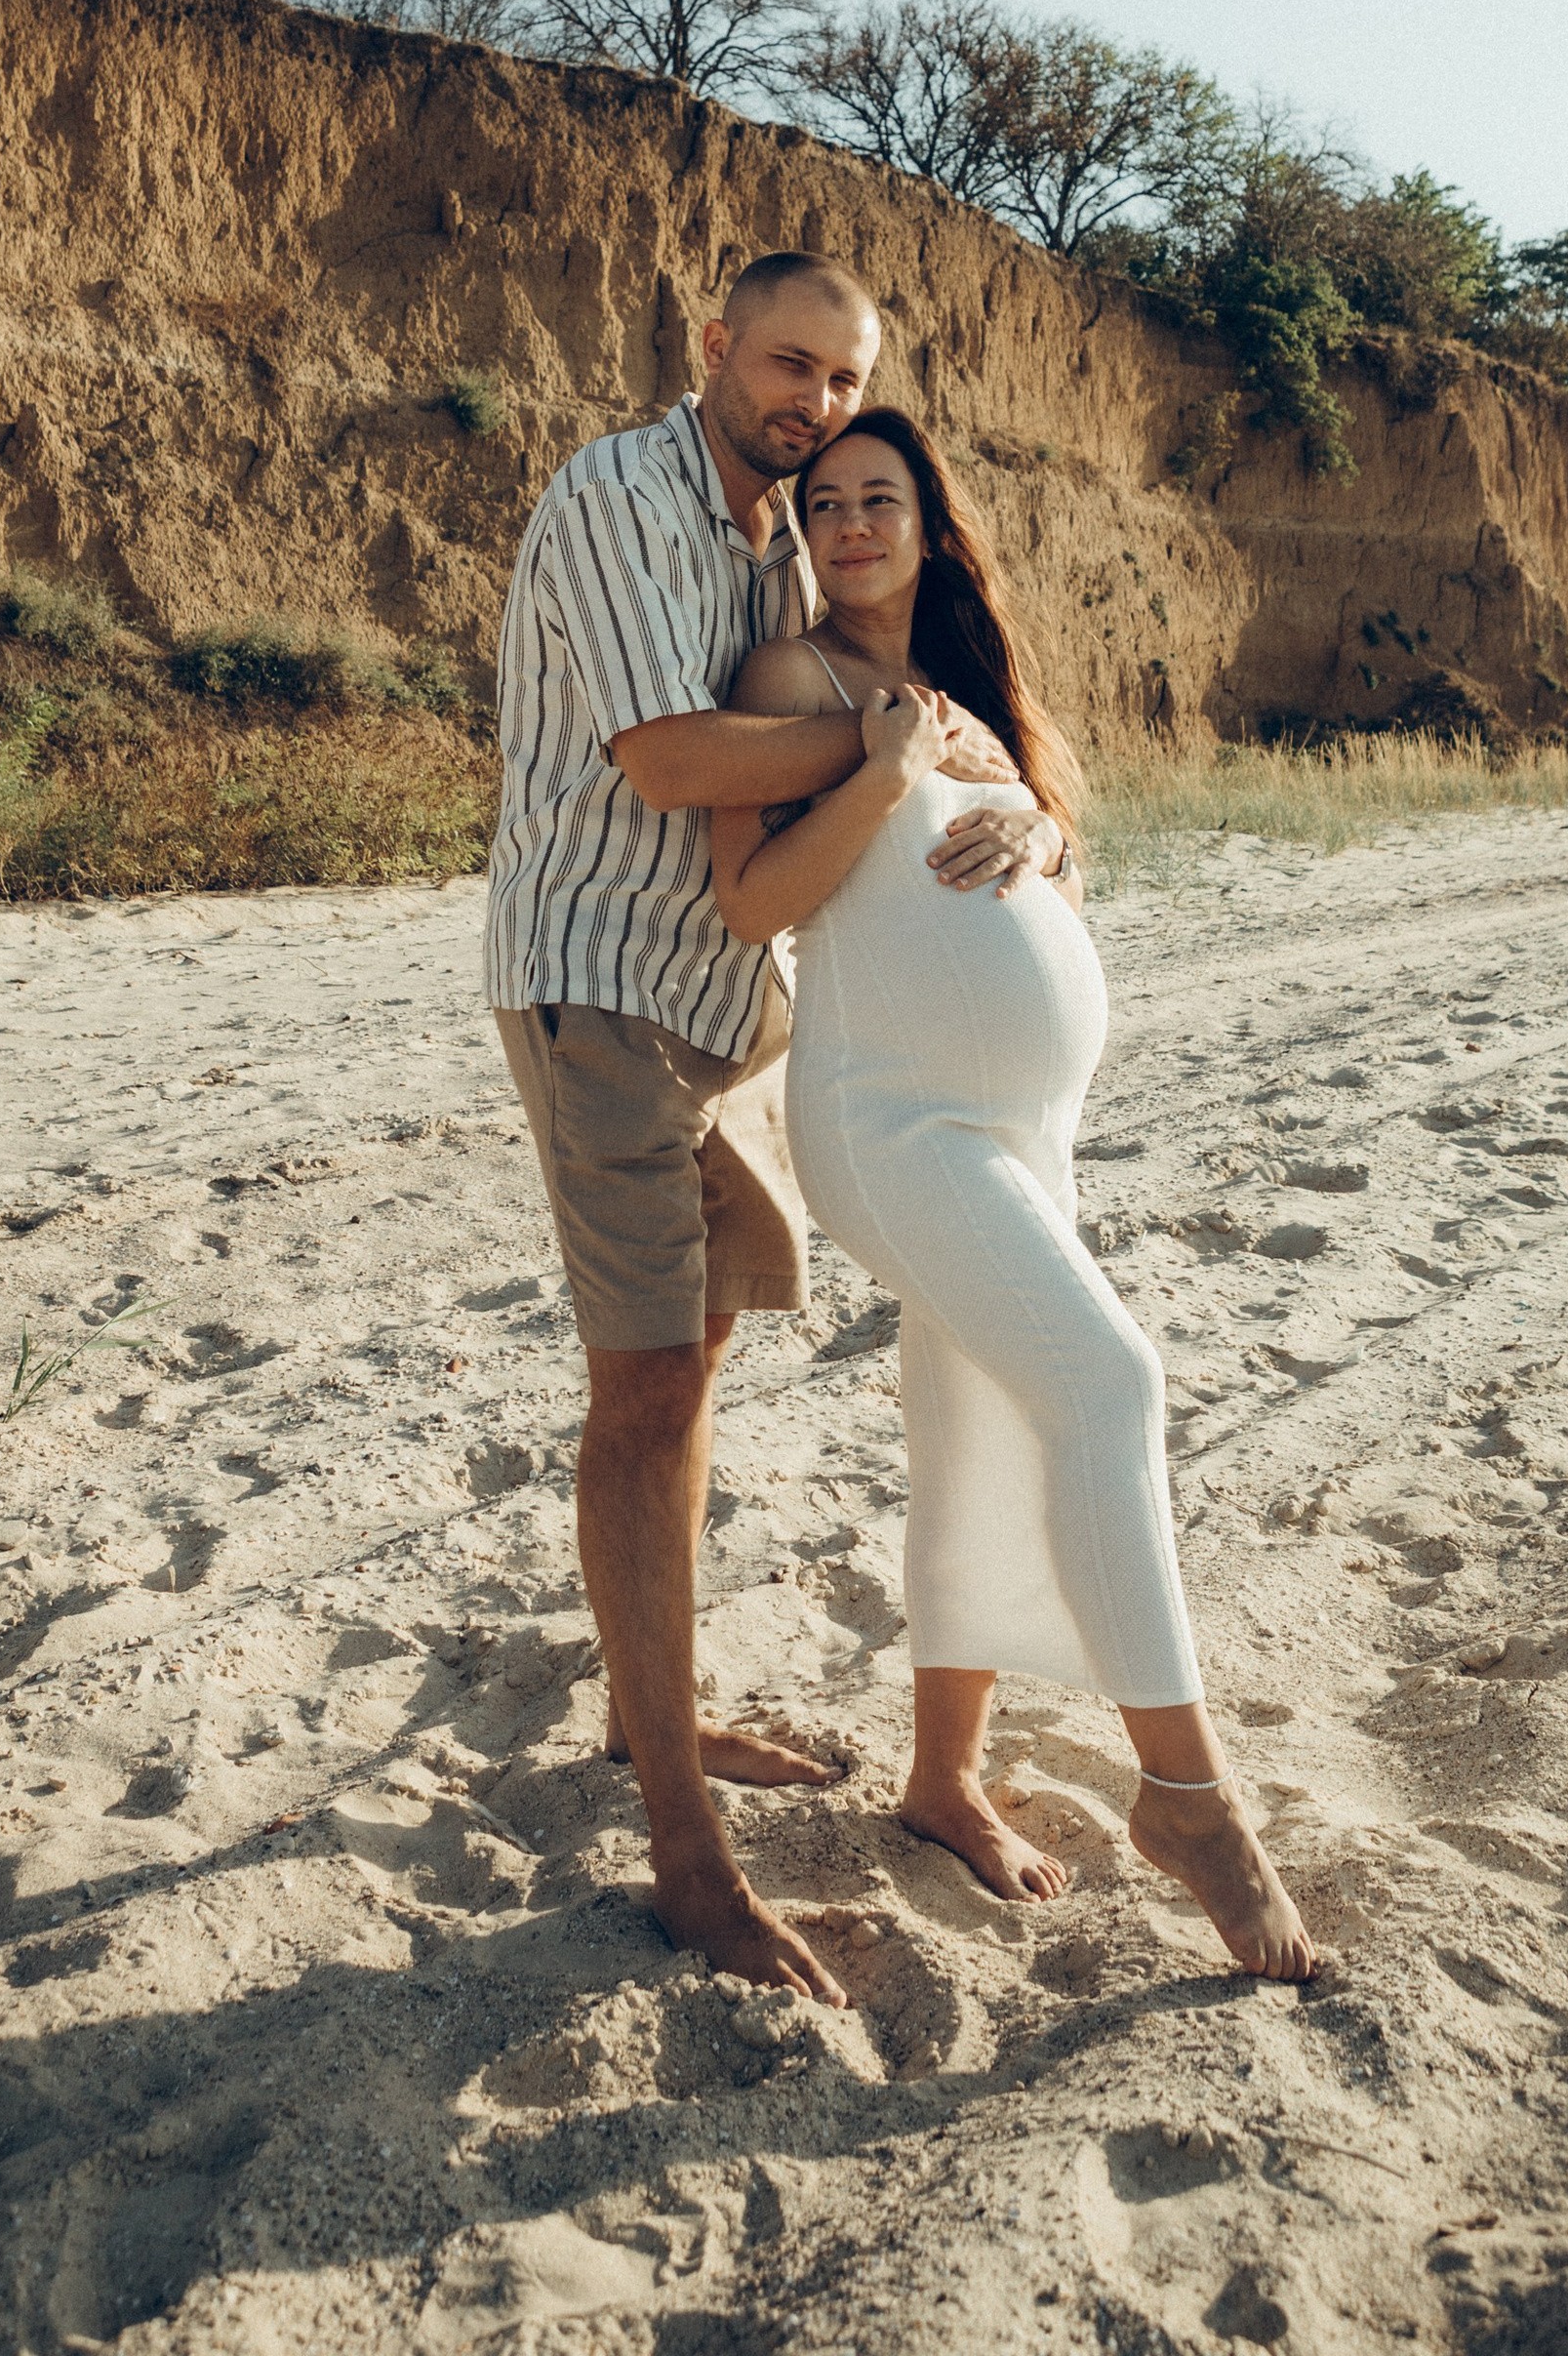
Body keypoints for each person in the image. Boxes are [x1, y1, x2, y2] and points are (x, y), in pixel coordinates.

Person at [485, 257, 1057, 2007]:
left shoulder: (776, 537)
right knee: (646, 1392)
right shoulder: (620, 493)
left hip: (715, 1019)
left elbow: (868, 711)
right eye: (791, 363)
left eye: (845, 378)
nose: (813, 400)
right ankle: (682, 1855)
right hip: (598, 991)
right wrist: (888, 759)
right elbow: (668, 763)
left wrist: (1007, 797)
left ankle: (645, 1702)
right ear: (711, 346)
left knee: (711, 1334)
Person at [710, 408, 1316, 1981]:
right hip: (892, 1118)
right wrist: (881, 764)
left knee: (974, 1432)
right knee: (1111, 1384)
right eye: (823, 502)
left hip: (1023, 1116)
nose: (848, 523)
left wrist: (1038, 826)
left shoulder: (970, 690)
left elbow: (1037, 858)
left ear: (929, 524)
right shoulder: (795, 684)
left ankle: (941, 1780)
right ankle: (1189, 1799)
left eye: (879, 499)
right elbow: (755, 899)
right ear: (798, 533)